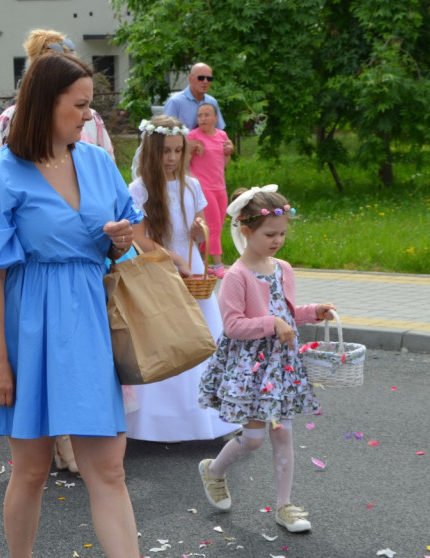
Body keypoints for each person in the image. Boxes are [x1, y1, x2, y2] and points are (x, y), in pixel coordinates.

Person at [0, 52, 199, 558]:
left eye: (90, 103)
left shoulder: (95, 161)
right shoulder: (0, 173)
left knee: (109, 468)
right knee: (33, 467)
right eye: (82, 105)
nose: (90, 116)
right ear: (48, 104)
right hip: (26, 323)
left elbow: (126, 244)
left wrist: (119, 242)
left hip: (88, 318)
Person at [197, 185, 336, 533]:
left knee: (283, 436)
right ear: (246, 232)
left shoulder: (283, 268)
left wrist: (313, 312)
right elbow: (233, 326)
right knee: (254, 439)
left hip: (281, 367)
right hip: (250, 370)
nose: (278, 240)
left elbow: (286, 313)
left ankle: (285, 506)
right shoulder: (235, 276)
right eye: (270, 234)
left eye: (283, 234)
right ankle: (213, 470)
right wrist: (270, 324)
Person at [127, 115, 240, 443]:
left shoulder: (192, 186)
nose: (173, 158)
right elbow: (139, 239)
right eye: (165, 152)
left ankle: (206, 419)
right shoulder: (139, 190)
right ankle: (157, 423)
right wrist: (172, 259)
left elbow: (201, 228)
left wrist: (199, 232)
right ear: (151, 151)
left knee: (201, 344)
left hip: (192, 272)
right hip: (162, 271)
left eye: (178, 151)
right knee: (167, 344)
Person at [0, 29, 114, 161]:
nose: (87, 116)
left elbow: (107, 170)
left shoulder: (93, 121)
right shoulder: (10, 119)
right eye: (80, 105)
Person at [187, 103, 234, 278]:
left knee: (218, 226)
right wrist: (194, 182)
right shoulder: (193, 136)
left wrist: (228, 152)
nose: (203, 119)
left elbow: (224, 164)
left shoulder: (222, 135)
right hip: (204, 187)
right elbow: (185, 162)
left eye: (207, 115)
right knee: (212, 226)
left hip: (220, 187)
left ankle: (202, 262)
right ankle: (218, 264)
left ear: (216, 118)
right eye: (199, 116)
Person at [163, 63, 225, 150]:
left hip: (207, 155)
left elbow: (219, 130)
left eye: (209, 79)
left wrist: (227, 144)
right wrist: (186, 143)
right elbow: (166, 132)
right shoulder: (176, 102)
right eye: (201, 78)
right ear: (190, 78)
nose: (205, 81)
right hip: (182, 155)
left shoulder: (212, 102)